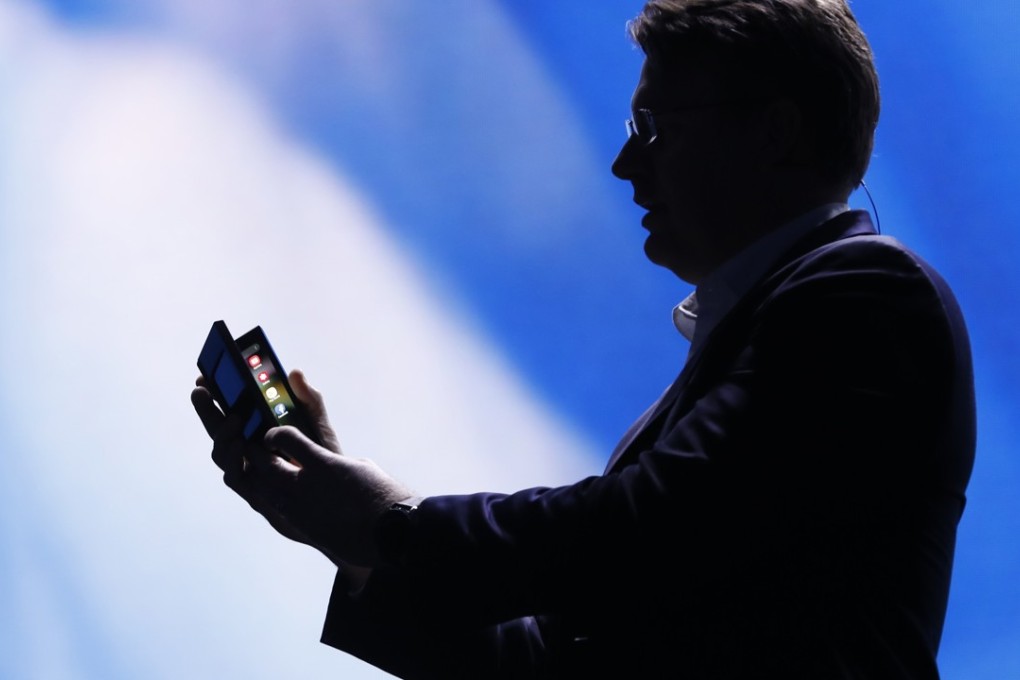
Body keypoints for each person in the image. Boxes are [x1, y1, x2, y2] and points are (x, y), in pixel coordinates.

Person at [192, 1, 976, 677]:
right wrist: (349, 535)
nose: (625, 164)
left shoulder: (868, 293)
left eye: (654, 129)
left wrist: (390, 524)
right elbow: (556, 656)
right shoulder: (790, 330)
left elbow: (643, 534)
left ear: (773, 132)